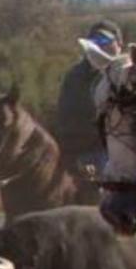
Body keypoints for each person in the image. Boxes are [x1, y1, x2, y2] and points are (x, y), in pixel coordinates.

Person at [52, 20, 124, 186]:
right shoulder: (74, 77)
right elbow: (65, 119)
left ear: (120, 44)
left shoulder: (131, 72)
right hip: (87, 152)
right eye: (94, 42)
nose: (100, 46)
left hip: (125, 150)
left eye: (105, 41)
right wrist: (74, 157)